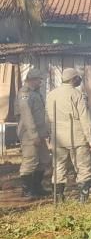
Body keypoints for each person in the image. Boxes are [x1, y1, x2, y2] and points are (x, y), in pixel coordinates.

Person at [46, 68, 91, 203]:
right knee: (83, 167)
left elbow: (47, 118)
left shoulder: (51, 94)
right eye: (78, 78)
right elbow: (84, 118)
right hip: (77, 136)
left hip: (58, 137)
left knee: (58, 167)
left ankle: (58, 198)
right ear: (73, 79)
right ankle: (83, 199)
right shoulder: (77, 94)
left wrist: (49, 137)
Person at [14, 68, 49, 198]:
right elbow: (27, 116)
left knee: (44, 160)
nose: (41, 82)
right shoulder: (25, 94)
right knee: (30, 161)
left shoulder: (36, 93)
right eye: (39, 79)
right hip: (29, 134)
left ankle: (37, 187)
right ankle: (27, 189)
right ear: (32, 80)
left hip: (40, 133)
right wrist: (34, 135)